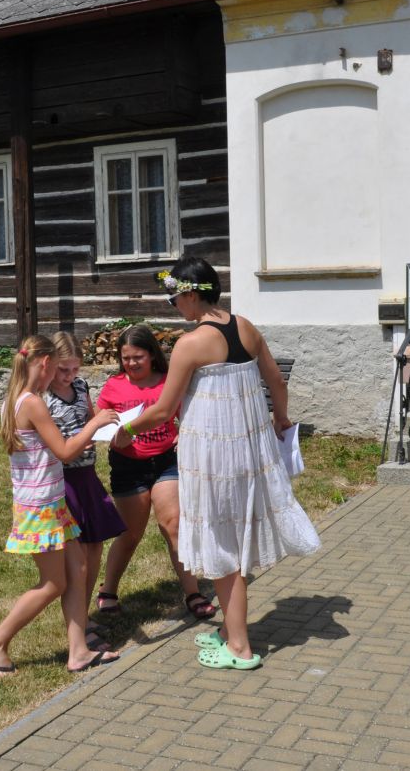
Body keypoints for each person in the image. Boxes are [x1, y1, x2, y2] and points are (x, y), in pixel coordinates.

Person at [112, 258, 320, 669]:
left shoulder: (191, 344)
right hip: (250, 452)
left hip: (212, 456)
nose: (174, 307)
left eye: (174, 299)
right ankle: (230, 629)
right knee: (235, 541)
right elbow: (276, 381)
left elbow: (164, 409)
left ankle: (239, 646)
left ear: (191, 294)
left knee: (223, 547)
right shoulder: (246, 327)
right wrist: (280, 418)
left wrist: (128, 429)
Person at [0, 334, 121, 677]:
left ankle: (78, 651)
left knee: (78, 568)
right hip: (40, 507)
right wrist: (94, 424)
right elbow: (65, 452)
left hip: (51, 502)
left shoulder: (17, 399)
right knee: (53, 583)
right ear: (44, 363)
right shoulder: (32, 403)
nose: (57, 377)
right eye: (55, 369)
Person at [95, 325, 218, 622]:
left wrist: (183, 433)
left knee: (173, 524)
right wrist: (108, 432)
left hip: (165, 461)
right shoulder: (113, 386)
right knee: (130, 534)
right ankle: (108, 591)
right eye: (125, 358)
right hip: (128, 466)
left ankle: (192, 592)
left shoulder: (167, 381)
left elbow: (189, 413)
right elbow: (99, 420)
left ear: (151, 354)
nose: (131, 363)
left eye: (137, 357)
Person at [45, 331, 127, 650]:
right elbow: (56, 445)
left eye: (75, 369)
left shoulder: (80, 387)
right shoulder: (41, 397)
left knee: (94, 549)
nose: (69, 376)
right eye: (63, 369)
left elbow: (92, 421)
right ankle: (76, 624)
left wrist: (108, 432)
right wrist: (86, 434)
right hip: (61, 479)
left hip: (86, 475)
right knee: (75, 559)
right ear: (49, 364)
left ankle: (81, 613)